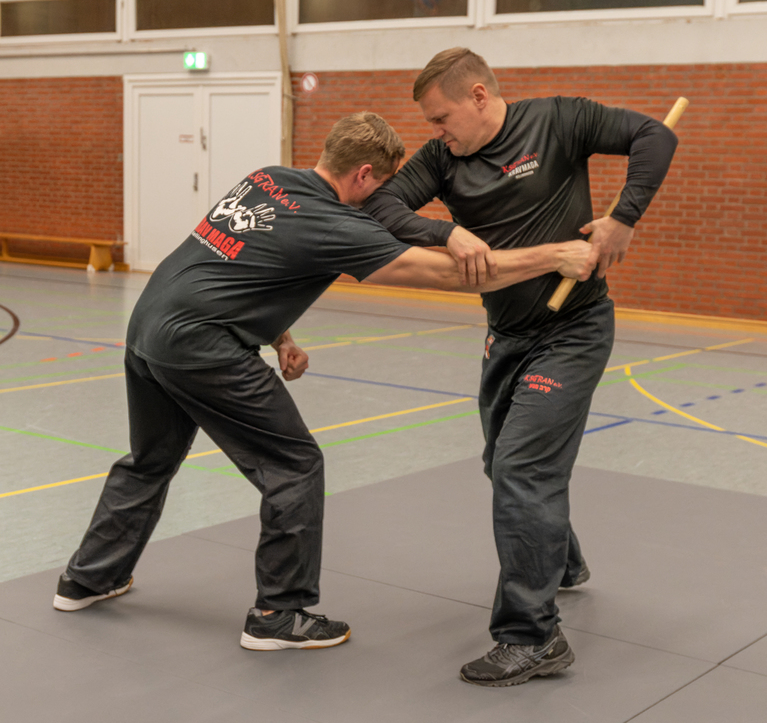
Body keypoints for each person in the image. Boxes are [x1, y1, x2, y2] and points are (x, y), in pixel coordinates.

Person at [53, 112, 596, 654]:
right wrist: (554, 256)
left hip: (148, 326)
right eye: (382, 185)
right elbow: (449, 274)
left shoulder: (267, 179)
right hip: (201, 345)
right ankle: (278, 614)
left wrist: (280, 336)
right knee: (294, 466)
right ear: (363, 175)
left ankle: (88, 578)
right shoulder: (337, 225)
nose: (383, 198)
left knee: (149, 460)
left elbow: (236, 265)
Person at [362, 49, 679, 685]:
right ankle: (561, 563)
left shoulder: (558, 120)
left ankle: (531, 637)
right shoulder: (443, 160)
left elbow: (654, 134)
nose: (436, 131)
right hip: (505, 335)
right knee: (499, 462)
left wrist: (623, 218)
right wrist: (444, 232)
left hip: (573, 330)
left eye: (441, 117)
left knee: (522, 467)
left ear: (479, 96)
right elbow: (380, 205)